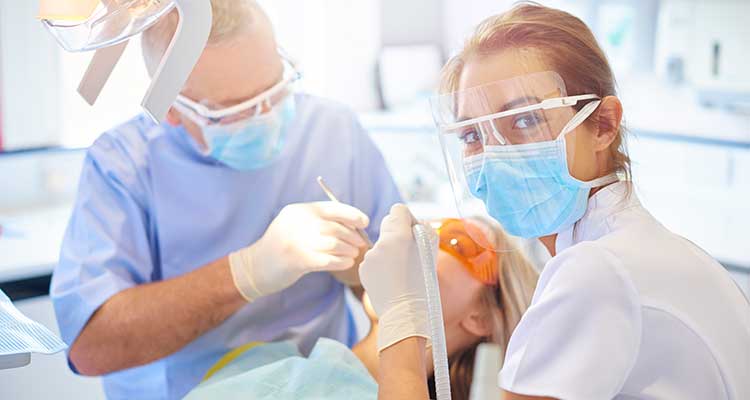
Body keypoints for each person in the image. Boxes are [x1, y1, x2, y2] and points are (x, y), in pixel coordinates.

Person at [359, 4, 750, 400]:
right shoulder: (631, 249)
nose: (495, 153)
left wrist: (402, 322)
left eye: (526, 120)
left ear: (603, 125)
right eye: (471, 135)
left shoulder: (597, 271)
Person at [50, 1, 401, 399]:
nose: (267, 115)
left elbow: (404, 287)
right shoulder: (124, 165)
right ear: (172, 111)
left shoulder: (332, 131)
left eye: (275, 88)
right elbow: (92, 348)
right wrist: (247, 271)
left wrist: (365, 271)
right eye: (237, 110)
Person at [182, 218, 538, 400]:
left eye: (458, 240)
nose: (425, 234)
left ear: (481, 319)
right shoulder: (264, 361)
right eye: (421, 227)